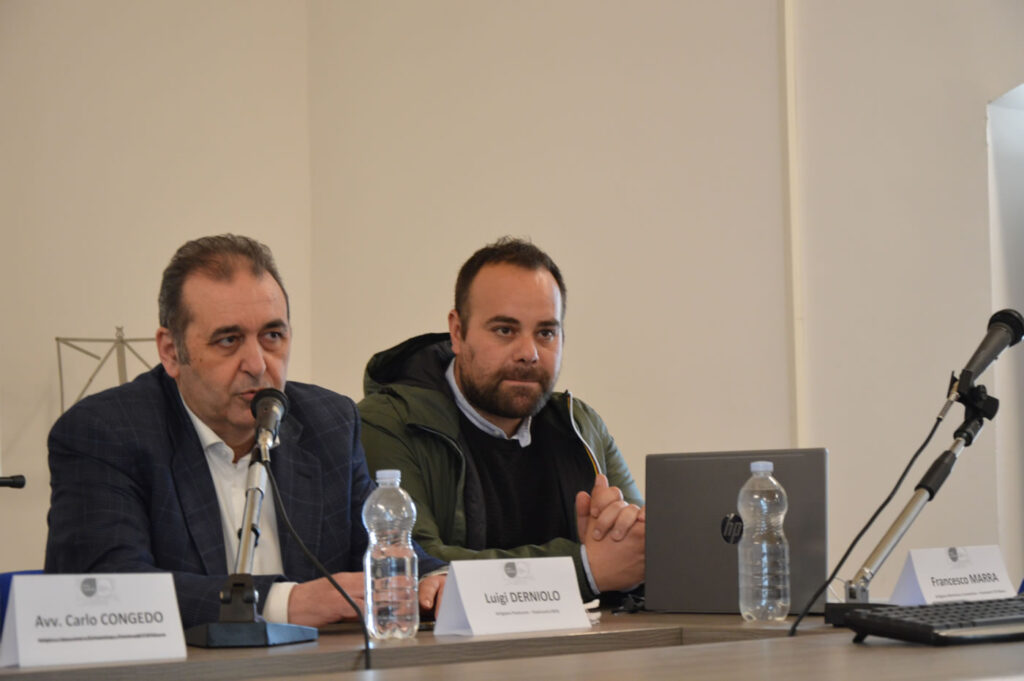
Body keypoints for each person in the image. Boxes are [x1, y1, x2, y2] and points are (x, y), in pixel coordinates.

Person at [45, 234, 445, 629]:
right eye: (228, 340)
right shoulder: (105, 433)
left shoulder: (329, 423)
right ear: (171, 351)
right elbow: (104, 589)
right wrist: (282, 602)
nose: (257, 364)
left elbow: (382, 546)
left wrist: (432, 580)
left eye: (272, 336)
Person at [359, 237, 644, 603]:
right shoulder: (389, 423)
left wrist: (622, 557)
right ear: (458, 332)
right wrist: (585, 568)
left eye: (546, 333)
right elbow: (418, 564)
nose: (529, 353)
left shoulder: (580, 425)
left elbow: (643, 552)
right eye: (505, 330)